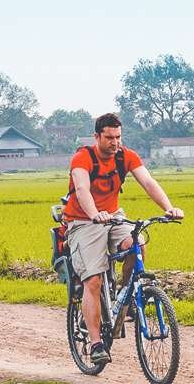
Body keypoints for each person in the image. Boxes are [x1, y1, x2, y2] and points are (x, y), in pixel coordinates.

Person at [63, 112, 184, 365]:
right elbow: (82, 189)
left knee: (136, 243)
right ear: (97, 136)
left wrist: (168, 208)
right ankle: (96, 343)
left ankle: (125, 297)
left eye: (118, 137)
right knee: (93, 281)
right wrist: (95, 214)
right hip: (84, 220)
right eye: (109, 137)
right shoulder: (82, 158)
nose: (114, 142)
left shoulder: (126, 156)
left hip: (114, 217)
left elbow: (148, 182)